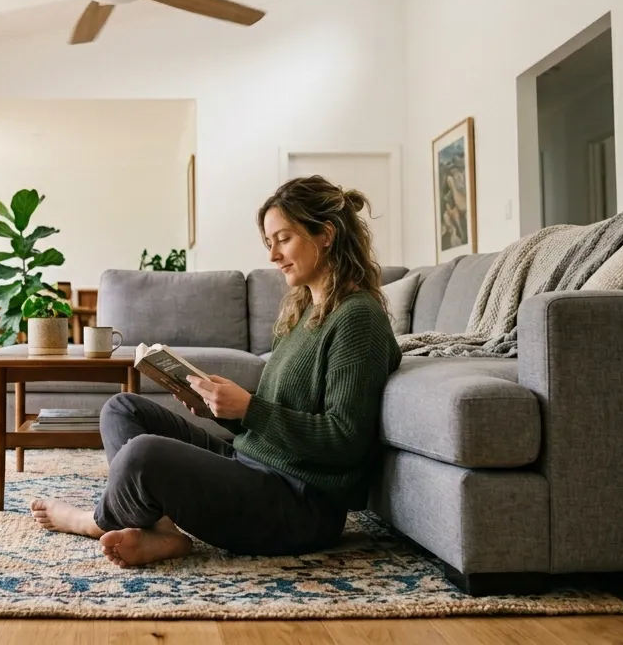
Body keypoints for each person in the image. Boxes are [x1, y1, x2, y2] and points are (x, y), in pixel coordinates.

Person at [30, 175, 403, 568]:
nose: (273, 256)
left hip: (300, 505)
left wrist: (249, 410)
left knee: (142, 455)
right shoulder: (304, 312)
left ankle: (93, 520)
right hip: (253, 466)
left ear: (326, 234)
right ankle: (163, 533)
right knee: (123, 409)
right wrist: (223, 411)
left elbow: (346, 440)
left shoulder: (358, 318)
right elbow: (278, 420)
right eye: (269, 243)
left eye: (284, 238)